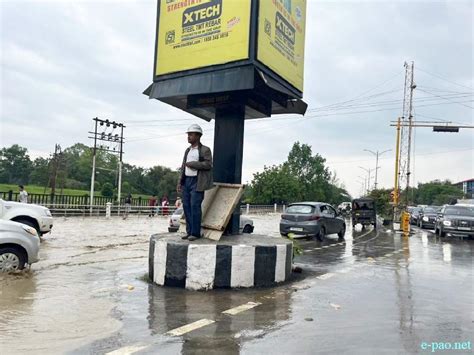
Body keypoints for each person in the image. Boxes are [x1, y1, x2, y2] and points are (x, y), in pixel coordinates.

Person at [177, 124, 213, 241]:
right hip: (186, 181)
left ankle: (195, 233)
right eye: (188, 134)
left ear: (198, 136)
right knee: (186, 206)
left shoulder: (205, 150)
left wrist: (193, 164)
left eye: (191, 134)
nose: (189, 137)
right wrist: (179, 183)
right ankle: (189, 231)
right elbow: (183, 167)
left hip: (197, 181)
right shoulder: (187, 150)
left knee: (195, 206)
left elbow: (208, 165)